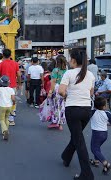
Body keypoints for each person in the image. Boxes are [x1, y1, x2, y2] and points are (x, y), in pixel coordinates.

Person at [58, 49, 95, 180]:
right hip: (86, 110)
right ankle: (66, 156)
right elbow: (91, 93)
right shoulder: (90, 75)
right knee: (77, 136)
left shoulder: (69, 73)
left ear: (73, 60)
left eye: (69, 58)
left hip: (73, 109)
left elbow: (61, 91)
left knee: (79, 141)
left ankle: (87, 174)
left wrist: (67, 95)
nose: (68, 61)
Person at [0, 49, 22, 126]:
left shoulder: (1, 64)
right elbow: (19, 75)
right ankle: (11, 118)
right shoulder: (15, 64)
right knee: (13, 101)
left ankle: (4, 117)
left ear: (3, 55)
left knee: (3, 100)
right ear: (10, 55)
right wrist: (19, 83)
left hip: (3, 86)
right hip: (13, 85)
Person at [89, 96, 111, 174]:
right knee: (97, 148)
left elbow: (86, 116)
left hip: (96, 134)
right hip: (105, 134)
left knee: (94, 149)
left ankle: (106, 164)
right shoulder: (107, 113)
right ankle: (96, 161)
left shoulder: (92, 112)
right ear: (104, 106)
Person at [46, 55, 67, 130]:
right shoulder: (66, 71)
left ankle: (55, 121)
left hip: (57, 89)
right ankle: (60, 123)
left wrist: (50, 92)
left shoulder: (55, 70)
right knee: (62, 106)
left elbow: (53, 82)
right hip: (64, 88)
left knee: (55, 106)